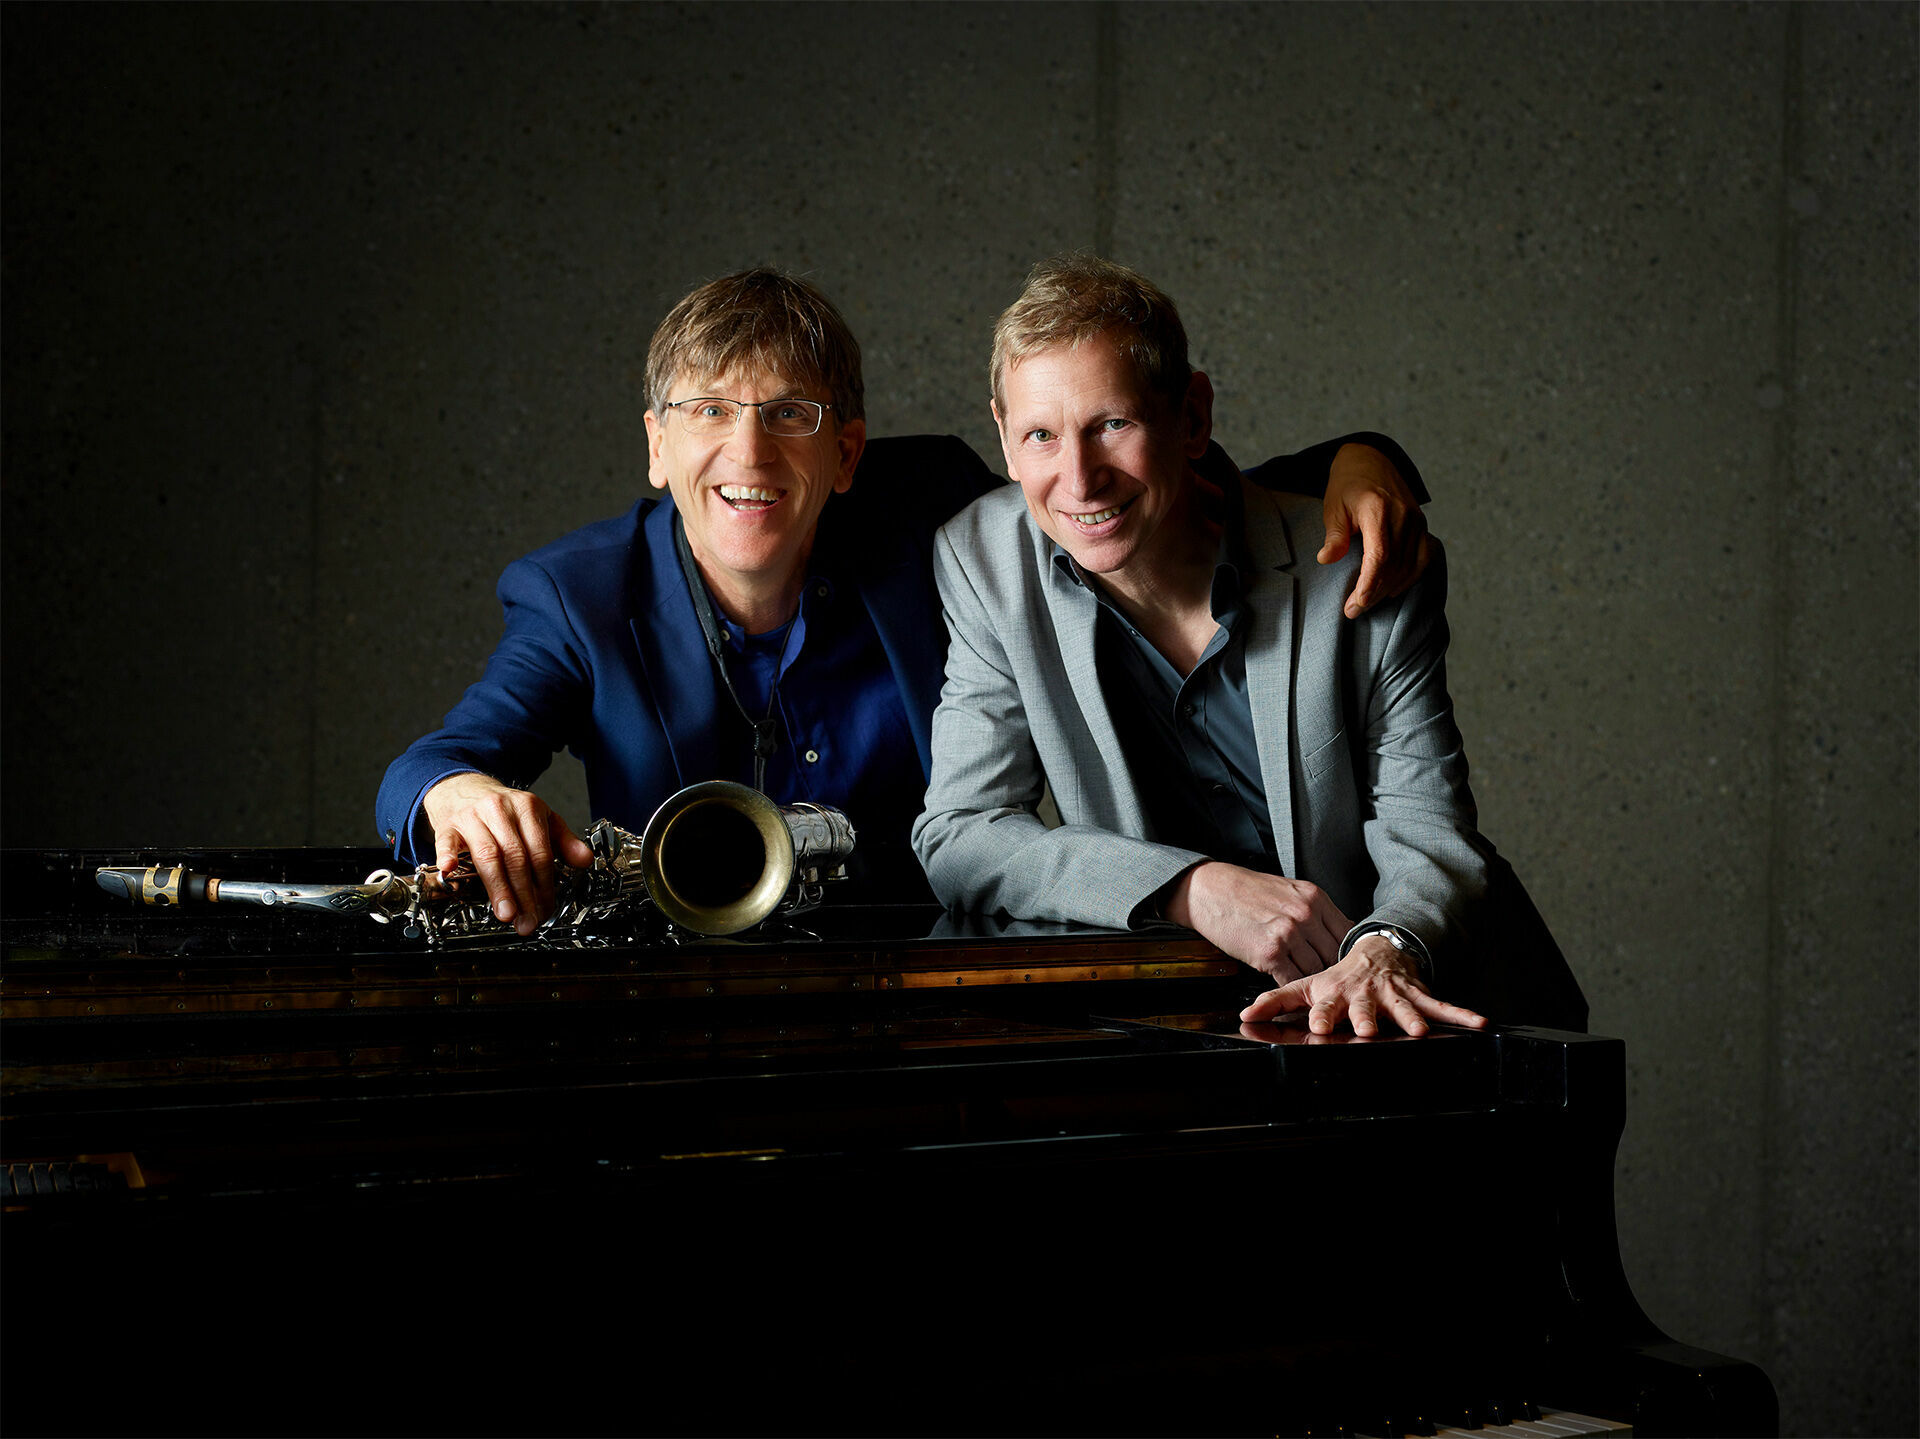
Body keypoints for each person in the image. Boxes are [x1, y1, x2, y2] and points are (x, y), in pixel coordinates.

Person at [377, 269, 1436, 936]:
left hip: (927, 1005)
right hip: (689, 1013)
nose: (746, 452)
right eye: (706, 411)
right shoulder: (578, 594)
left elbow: (1120, 493)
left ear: (846, 453)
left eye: (788, 413)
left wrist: (1359, 458)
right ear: (658, 446)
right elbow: (427, 764)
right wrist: (452, 796)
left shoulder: (927, 509)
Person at [912, 255, 1585, 1034]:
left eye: (1113, 424)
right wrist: (1193, 887)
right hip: (1194, 1026)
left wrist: (1381, 950)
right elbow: (962, 833)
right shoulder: (983, 558)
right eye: (1039, 435)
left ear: (1192, 415)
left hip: (1437, 1015)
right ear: (1002, 435)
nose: (1080, 478)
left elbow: (1428, 836)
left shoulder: (1357, 568)